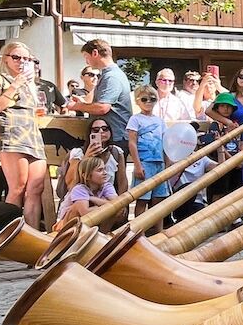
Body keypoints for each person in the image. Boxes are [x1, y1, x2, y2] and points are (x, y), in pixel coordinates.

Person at [0, 40, 48, 231]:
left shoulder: (30, 82)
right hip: (10, 131)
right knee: (17, 187)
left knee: (36, 188)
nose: (22, 62)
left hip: (31, 131)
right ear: (5, 58)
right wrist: (15, 85)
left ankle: (32, 235)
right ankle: (7, 235)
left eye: (26, 59)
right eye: (16, 57)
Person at [67, 38, 132, 148]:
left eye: (86, 57)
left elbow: (102, 108)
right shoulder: (109, 75)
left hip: (113, 138)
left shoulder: (112, 77)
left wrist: (77, 106)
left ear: (95, 53)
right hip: (110, 137)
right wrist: (85, 104)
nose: (86, 62)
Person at [205, 90, 243, 206]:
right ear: (217, 108)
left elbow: (241, 144)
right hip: (219, 164)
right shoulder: (214, 126)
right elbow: (218, 152)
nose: (226, 109)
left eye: (229, 106)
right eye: (222, 106)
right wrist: (232, 158)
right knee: (218, 190)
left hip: (236, 165)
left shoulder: (237, 125)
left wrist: (238, 160)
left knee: (234, 189)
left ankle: (233, 217)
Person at [62, 118, 127, 213]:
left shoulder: (116, 152)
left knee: (115, 211)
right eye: (96, 130)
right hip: (80, 198)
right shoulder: (78, 153)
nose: (101, 131)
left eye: (105, 128)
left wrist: (122, 203)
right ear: (90, 134)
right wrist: (86, 158)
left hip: (106, 196)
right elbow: (70, 182)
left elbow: (122, 182)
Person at [126, 85, 168, 217]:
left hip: (159, 163)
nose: (148, 102)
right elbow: (132, 142)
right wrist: (137, 165)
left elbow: (166, 143)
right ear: (137, 101)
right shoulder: (135, 119)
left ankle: (158, 230)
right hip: (144, 163)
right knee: (142, 198)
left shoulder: (160, 121)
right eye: (144, 99)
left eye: (152, 99)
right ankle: (139, 231)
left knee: (159, 200)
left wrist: (167, 165)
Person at [56, 154, 118, 226]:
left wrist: (93, 199)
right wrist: (104, 205)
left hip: (91, 224)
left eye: (105, 169)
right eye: (100, 170)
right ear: (87, 176)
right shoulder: (79, 189)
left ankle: (102, 234)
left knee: (117, 210)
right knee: (76, 207)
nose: (105, 173)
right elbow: (85, 213)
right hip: (67, 225)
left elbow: (117, 203)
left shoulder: (106, 186)